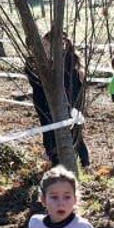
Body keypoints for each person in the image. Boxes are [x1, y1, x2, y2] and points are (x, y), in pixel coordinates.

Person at [25, 36, 90, 168]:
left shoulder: (67, 60)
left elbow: (73, 83)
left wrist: (72, 103)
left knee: (73, 129)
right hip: (44, 102)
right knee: (49, 130)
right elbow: (36, 82)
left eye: (47, 45)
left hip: (68, 100)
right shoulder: (34, 62)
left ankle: (83, 161)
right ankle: (54, 158)